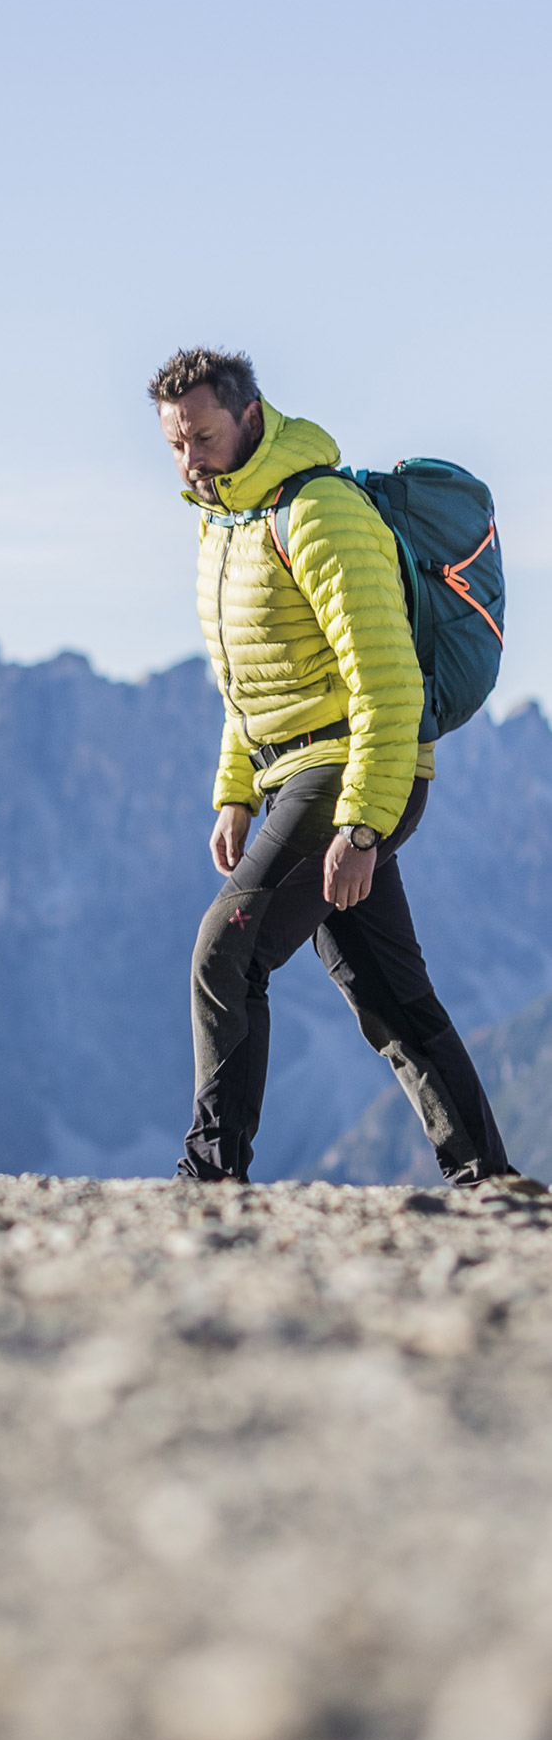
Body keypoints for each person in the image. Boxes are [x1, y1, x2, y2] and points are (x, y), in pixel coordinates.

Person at [149, 344, 510, 1185]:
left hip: (350, 770)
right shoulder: (226, 526)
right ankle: (486, 1180)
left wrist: (361, 823)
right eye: (174, 445)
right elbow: (251, 678)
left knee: (225, 954)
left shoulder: (319, 513)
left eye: (201, 438)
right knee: (386, 993)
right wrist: (235, 790)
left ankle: (211, 1172)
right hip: (291, 776)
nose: (189, 462)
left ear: (247, 417)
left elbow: (383, 682)